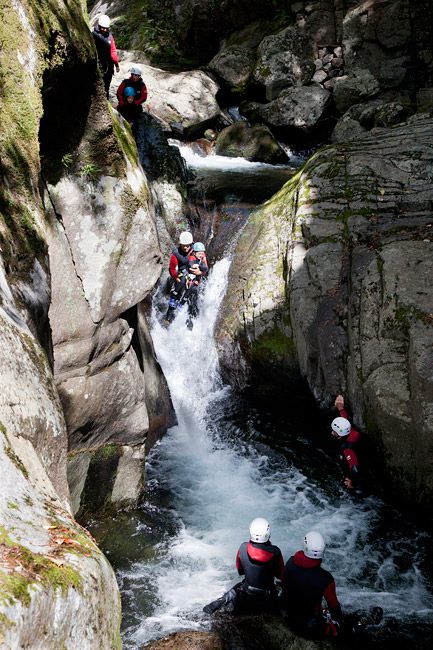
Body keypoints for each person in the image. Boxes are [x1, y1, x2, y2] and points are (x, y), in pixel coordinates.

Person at [281, 531, 342, 638]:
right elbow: (334, 606)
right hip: (307, 626)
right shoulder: (326, 579)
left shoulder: (290, 562)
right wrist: (340, 620)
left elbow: (283, 583)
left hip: (285, 614)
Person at [234, 517, 284, 614]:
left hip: (246, 596)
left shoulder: (243, 547)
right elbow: (280, 575)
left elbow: (240, 571)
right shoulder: (276, 551)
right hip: (267, 600)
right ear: (268, 533)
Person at [164, 232, 202, 327]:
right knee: (177, 292)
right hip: (181, 275)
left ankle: (191, 317)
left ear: (191, 243)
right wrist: (176, 278)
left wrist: (199, 274)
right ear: (180, 244)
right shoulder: (176, 254)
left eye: (188, 245)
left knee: (193, 293)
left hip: (193, 276)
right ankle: (169, 315)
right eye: (183, 246)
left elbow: (204, 265)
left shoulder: (196, 251)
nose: (185, 248)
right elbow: (172, 269)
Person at [332, 394, 361, 490]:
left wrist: (352, 482)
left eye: (335, 432)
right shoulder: (350, 430)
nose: (332, 432)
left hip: (347, 471)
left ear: (340, 435)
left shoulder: (347, 450)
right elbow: (345, 419)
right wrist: (340, 407)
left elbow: (355, 470)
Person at [93, 14, 119, 98]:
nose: (104, 30)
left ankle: (106, 98)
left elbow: (113, 51)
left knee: (106, 86)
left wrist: (116, 64)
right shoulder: (93, 35)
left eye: (106, 28)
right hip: (97, 64)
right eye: (102, 27)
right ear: (99, 26)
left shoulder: (110, 37)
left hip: (108, 66)